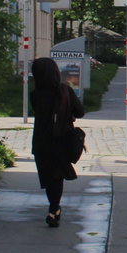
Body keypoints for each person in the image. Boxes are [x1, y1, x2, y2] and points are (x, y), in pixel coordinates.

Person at [29, 57, 84, 228]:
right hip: (61, 138)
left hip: (41, 140)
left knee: (47, 176)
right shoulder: (64, 91)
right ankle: (54, 209)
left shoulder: (35, 95)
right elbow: (80, 111)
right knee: (57, 175)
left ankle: (54, 208)